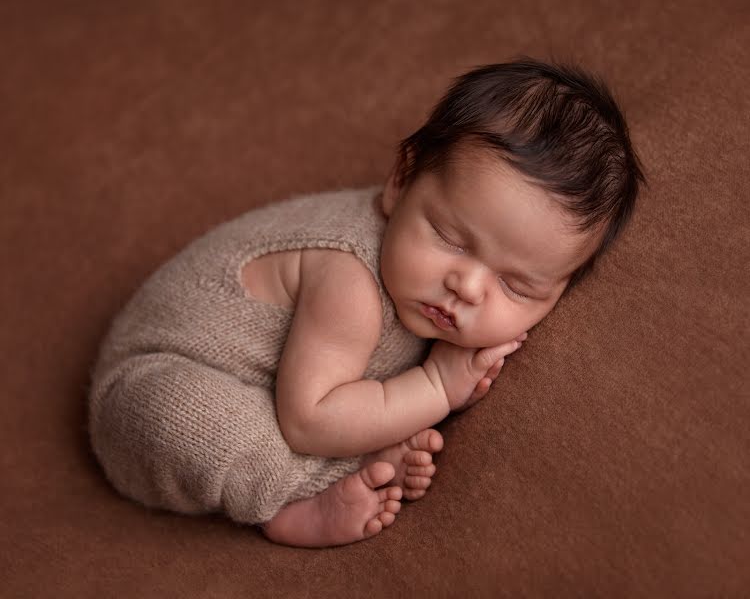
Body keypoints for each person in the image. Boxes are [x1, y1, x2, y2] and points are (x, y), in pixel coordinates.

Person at [88, 58, 644, 548]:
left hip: (282, 391)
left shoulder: (427, 279)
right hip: (154, 379)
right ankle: (295, 501)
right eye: (451, 238)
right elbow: (307, 420)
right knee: (187, 417)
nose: (468, 288)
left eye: (517, 287)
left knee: (283, 417)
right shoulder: (349, 279)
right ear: (401, 182)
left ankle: (355, 458)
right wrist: (435, 388)